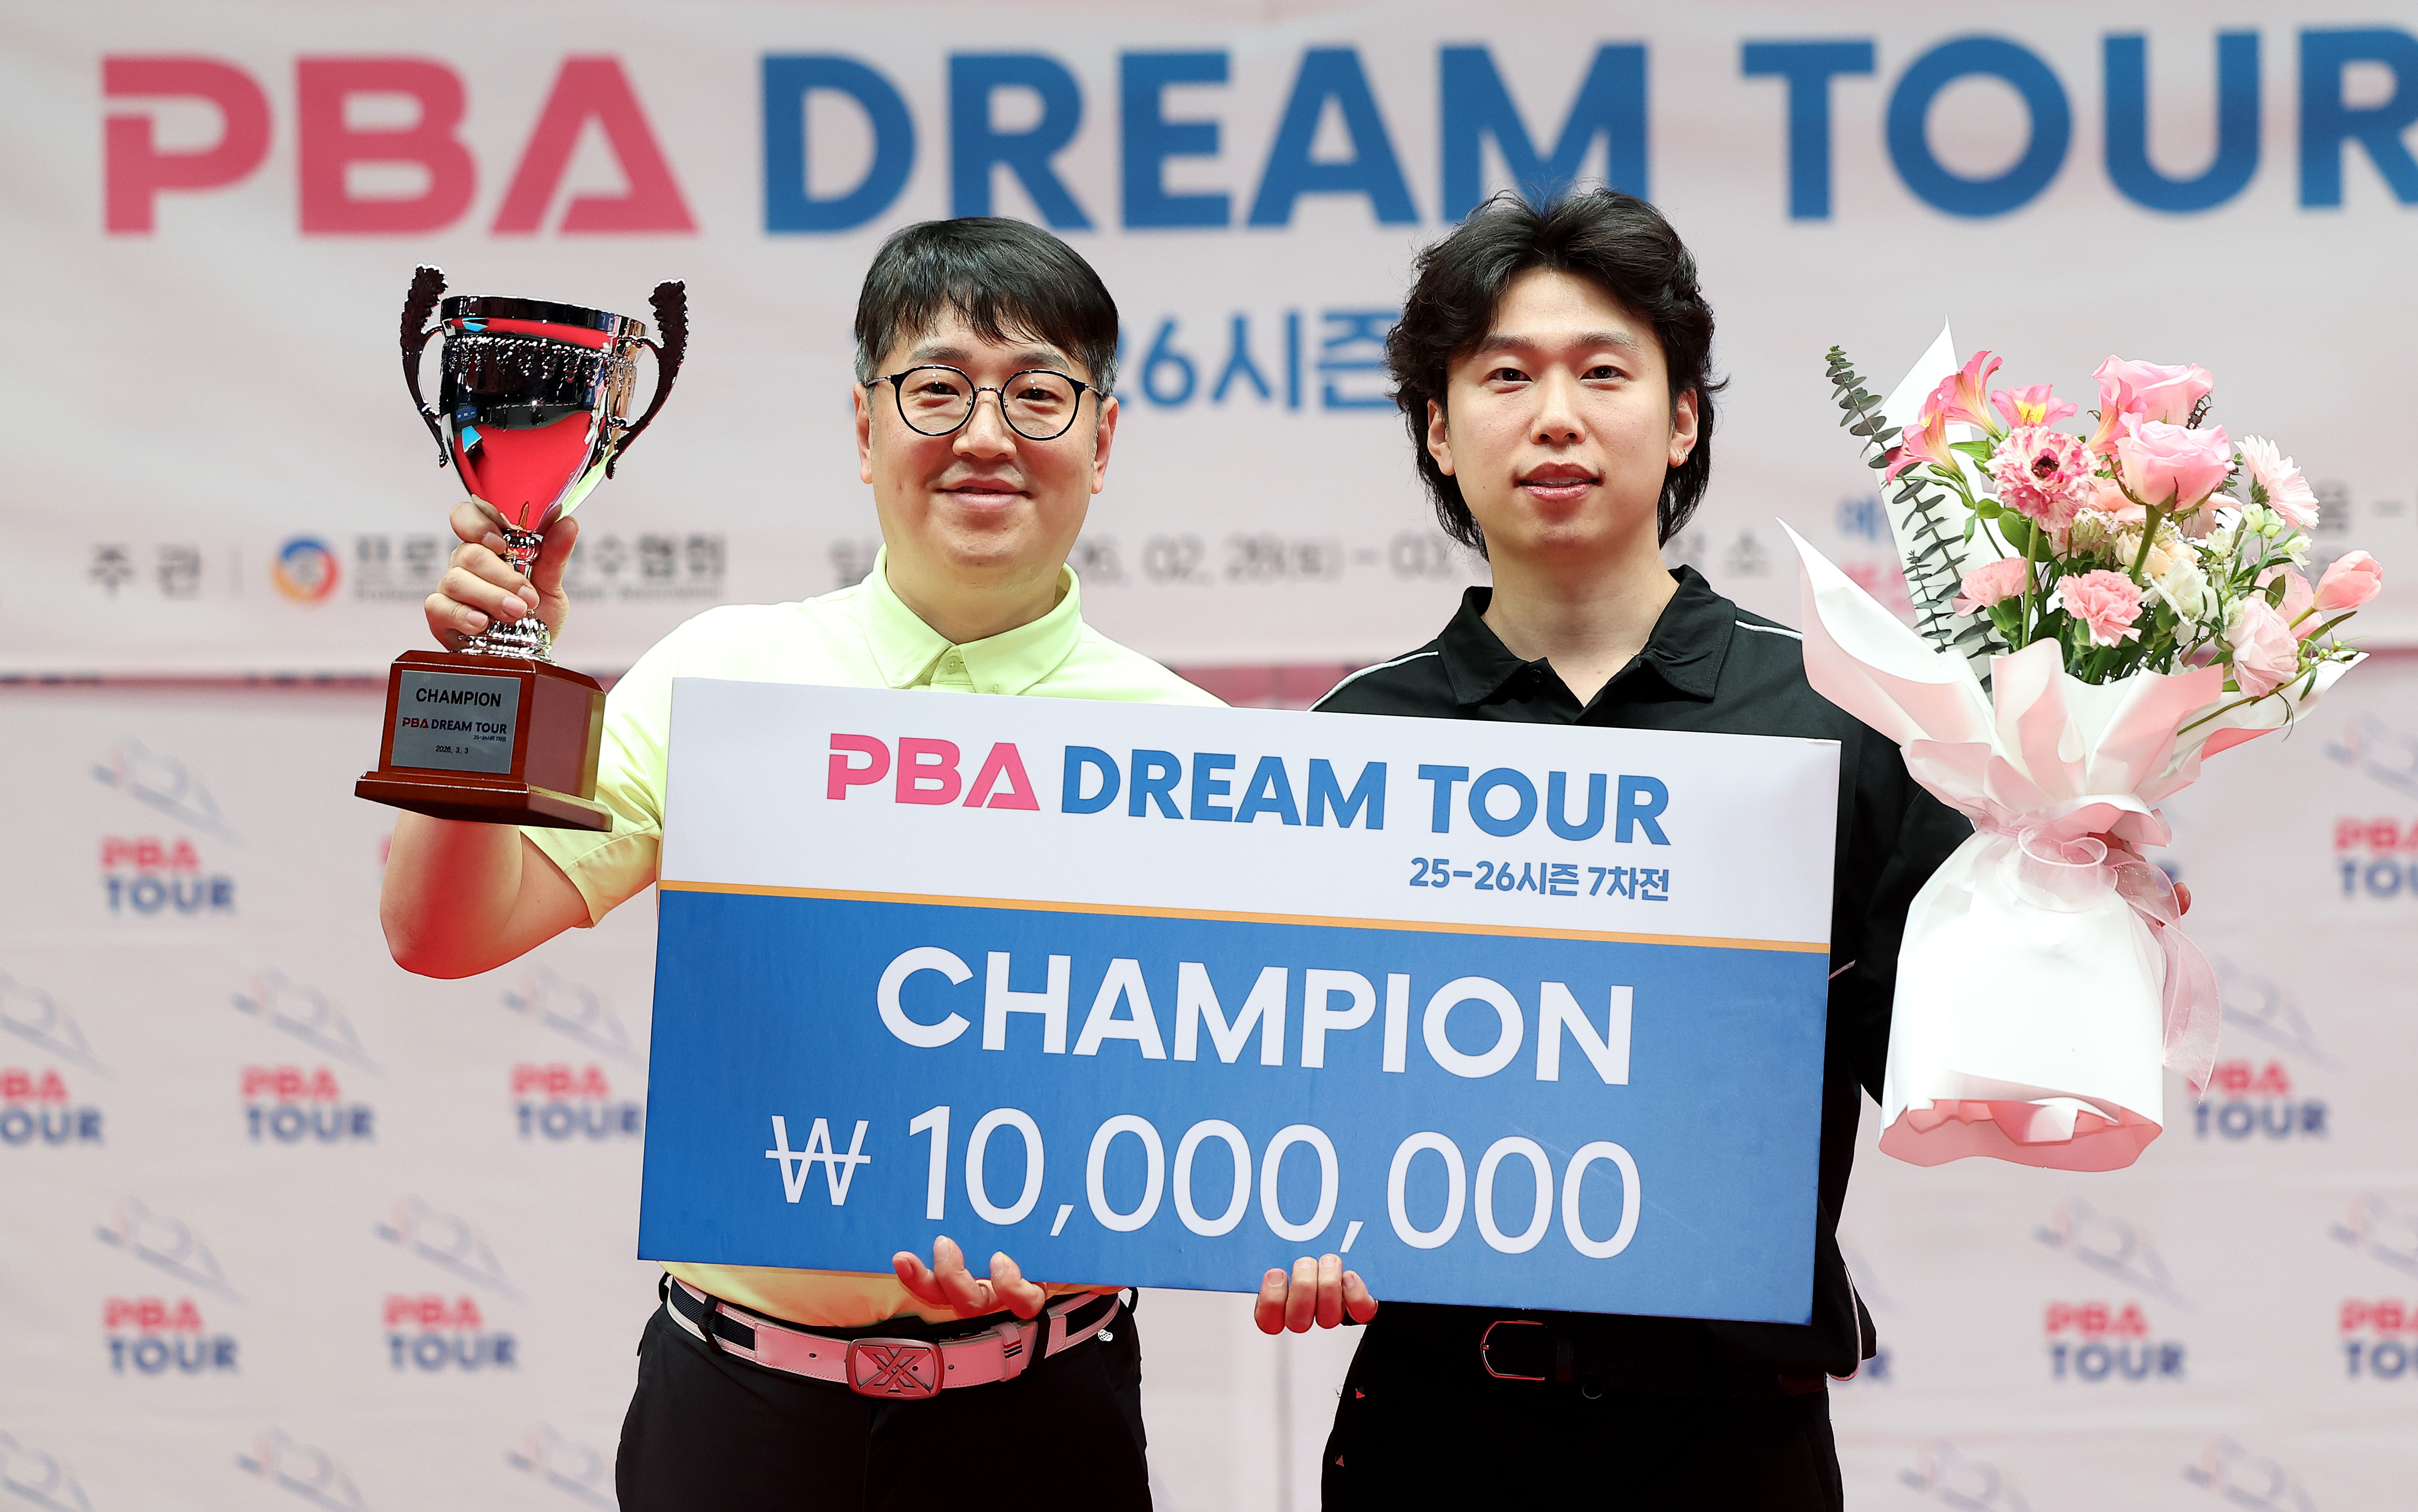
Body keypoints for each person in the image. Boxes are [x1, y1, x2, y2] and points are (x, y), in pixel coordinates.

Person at [380, 216, 1214, 1512]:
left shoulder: (1192, 750)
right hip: (740, 1417)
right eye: (936, 389)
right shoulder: (724, 676)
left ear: (1101, 442)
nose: (985, 435)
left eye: (1038, 394)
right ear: (864, 427)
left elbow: (1226, 1101)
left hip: (1044, 1419)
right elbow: (443, 935)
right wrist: (487, 677)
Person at [1251, 188, 1973, 1510]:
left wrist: (2070, 885)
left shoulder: (1837, 714)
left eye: (1602, 371)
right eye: (1504, 376)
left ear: (1683, 416)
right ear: (1437, 428)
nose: (1555, 416)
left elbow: (1945, 1057)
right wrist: (1285, 1212)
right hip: (1436, 1427)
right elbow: (1283, 1091)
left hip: (1732, 1441)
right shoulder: (1357, 743)